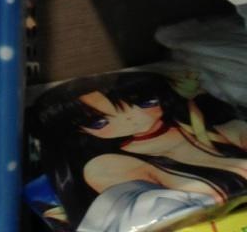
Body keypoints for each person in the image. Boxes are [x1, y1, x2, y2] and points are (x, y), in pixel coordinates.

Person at [29, 69, 247, 231]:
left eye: (146, 102)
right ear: (79, 132)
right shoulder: (110, 165)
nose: (133, 119)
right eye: (99, 122)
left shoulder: (217, 129)